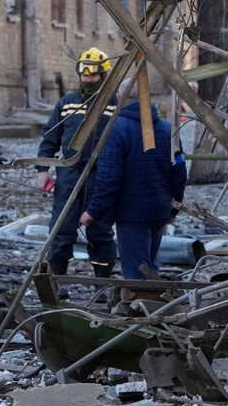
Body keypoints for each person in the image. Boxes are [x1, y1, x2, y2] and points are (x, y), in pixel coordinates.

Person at [80, 77, 187, 280]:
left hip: (132, 215)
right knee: (151, 268)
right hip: (159, 211)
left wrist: (92, 211)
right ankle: (156, 308)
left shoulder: (115, 130)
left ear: (119, 97)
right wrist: (174, 208)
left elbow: (109, 178)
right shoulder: (167, 129)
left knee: (137, 274)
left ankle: (142, 309)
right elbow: (179, 172)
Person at [36, 47, 118, 278]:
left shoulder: (116, 104)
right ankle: (58, 281)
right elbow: (49, 138)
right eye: (85, 74)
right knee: (61, 232)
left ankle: (103, 286)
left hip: (102, 177)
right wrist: (42, 169)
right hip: (69, 175)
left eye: (94, 75)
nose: (88, 79)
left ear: (104, 75)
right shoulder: (67, 104)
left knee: (100, 233)